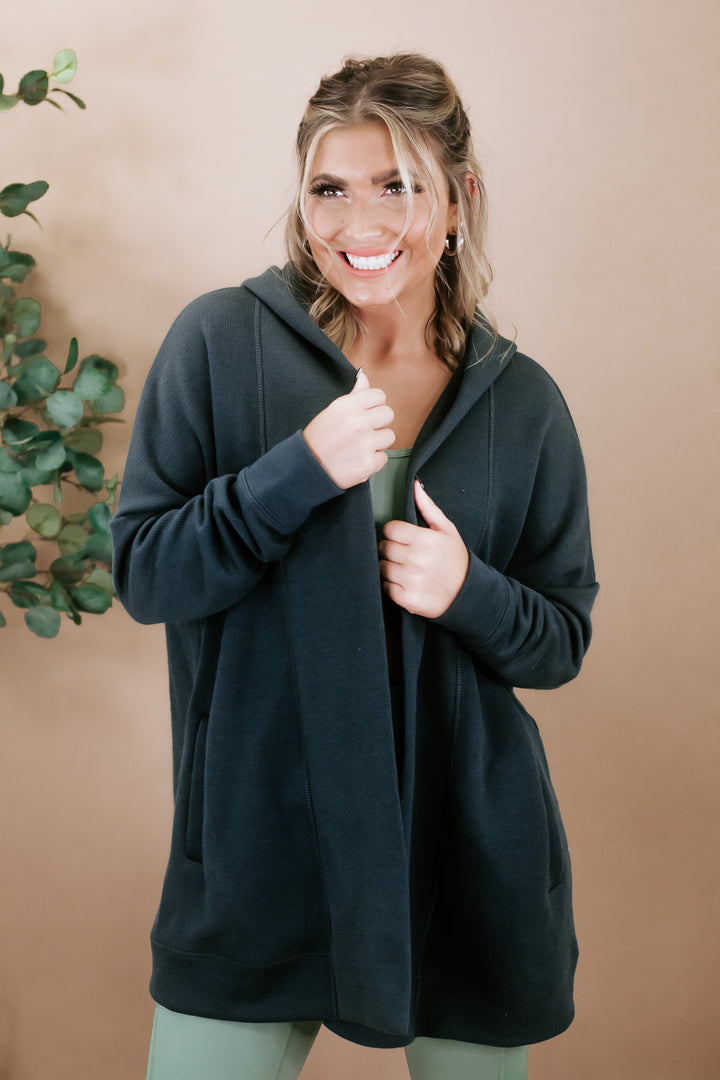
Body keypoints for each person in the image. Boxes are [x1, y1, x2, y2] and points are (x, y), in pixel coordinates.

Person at [111, 53, 598, 1080]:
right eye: (330, 189)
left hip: (465, 858)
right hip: (260, 851)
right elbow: (147, 574)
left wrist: (466, 591)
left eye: (398, 186)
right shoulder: (221, 343)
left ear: (458, 201)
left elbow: (561, 641)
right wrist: (291, 475)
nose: (359, 223)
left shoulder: (524, 403)